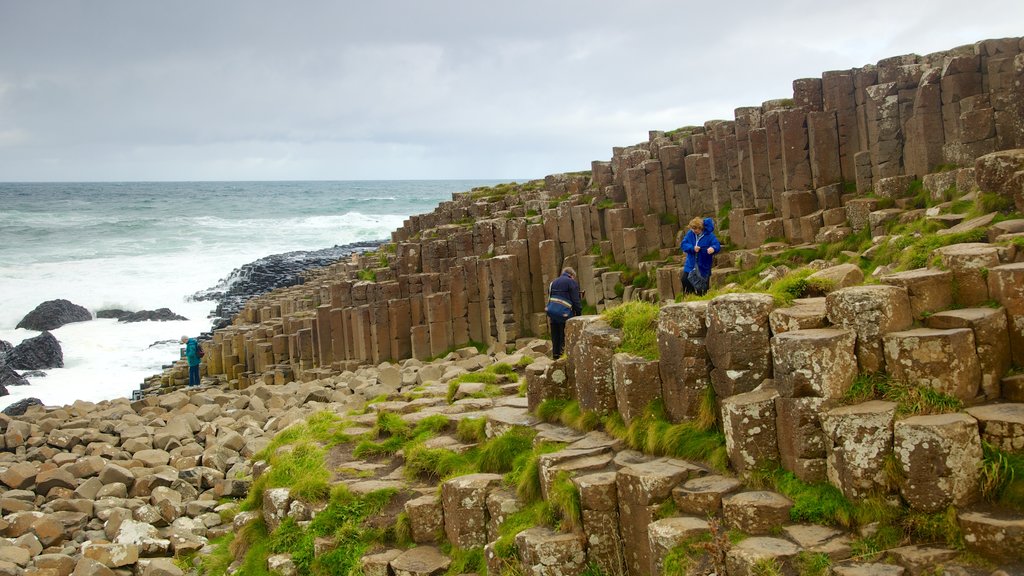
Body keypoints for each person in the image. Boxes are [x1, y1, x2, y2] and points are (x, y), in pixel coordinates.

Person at [546, 267, 582, 359]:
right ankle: (563, 358)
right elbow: (575, 300)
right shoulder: (571, 282)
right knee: (564, 336)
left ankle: (555, 357)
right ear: (572, 275)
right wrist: (578, 314)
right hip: (565, 315)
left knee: (555, 336)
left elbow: (550, 298)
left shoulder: (552, 283)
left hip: (553, 314)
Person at [679, 216, 721, 296]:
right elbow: (683, 244)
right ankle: (690, 297)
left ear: (700, 228)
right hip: (691, 263)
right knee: (685, 280)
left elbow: (717, 245)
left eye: (695, 229)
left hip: (704, 265)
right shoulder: (690, 234)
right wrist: (692, 248)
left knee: (702, 287)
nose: (694, 231)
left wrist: (713, 248)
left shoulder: (710, 236)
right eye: (692, 229)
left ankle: (702, 298)